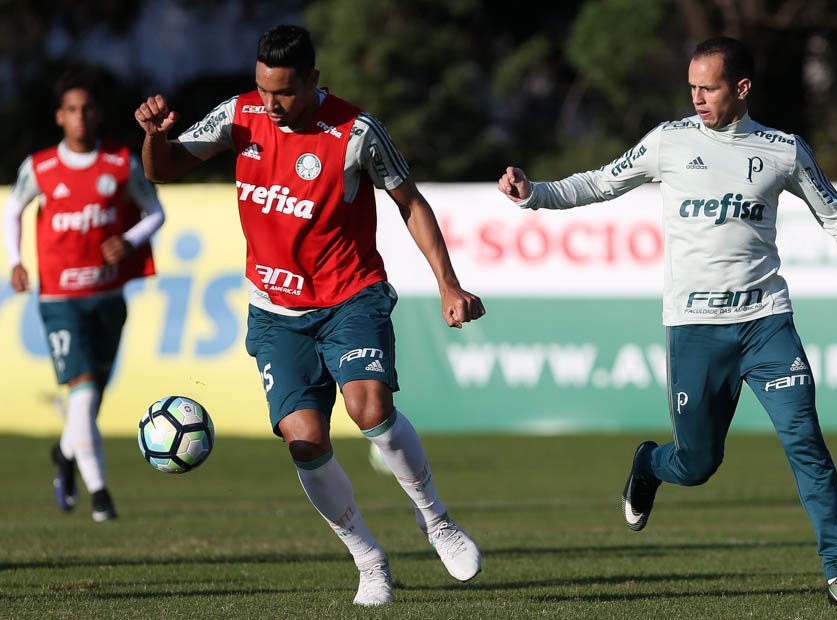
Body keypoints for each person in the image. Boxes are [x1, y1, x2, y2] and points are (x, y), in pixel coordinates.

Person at [498, 36, 837, 610]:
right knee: (696, 465)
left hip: (766, 324)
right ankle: (649, 464)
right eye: (691, 87)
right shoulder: (669, 142)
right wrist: (534, 194)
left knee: (806, 443)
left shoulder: (783, 150)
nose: (696, 97)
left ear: (740, 88)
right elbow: (601, 181)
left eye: (708, 88)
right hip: (695, 328)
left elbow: (835, 212)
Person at [134, 24, 485, 606]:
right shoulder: (239, 116)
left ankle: (436, 519)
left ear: (313, 81)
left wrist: (448, 283)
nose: (272, 104)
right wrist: (153, 137)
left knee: (370, 408)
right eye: (263, 89)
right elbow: (162, 169)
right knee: (305, 442)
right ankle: (369, 561)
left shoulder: (356, 131)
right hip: (275, 312)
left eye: (285, 92)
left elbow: (410, 202)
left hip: (350, 295)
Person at [3, 70, 165, 522]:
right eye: (71, 109)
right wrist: (15, 260)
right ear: (59, 116)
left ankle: (64, 452)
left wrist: (129, 240)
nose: (79, 116)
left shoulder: (120, 163)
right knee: (84, 391)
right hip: (59, 299)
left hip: (108, 296)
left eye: (87, 108)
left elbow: (155, 212)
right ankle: (100, 495)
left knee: (90, 400)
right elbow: (12, 210)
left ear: (97, 114)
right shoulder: (40, 168)